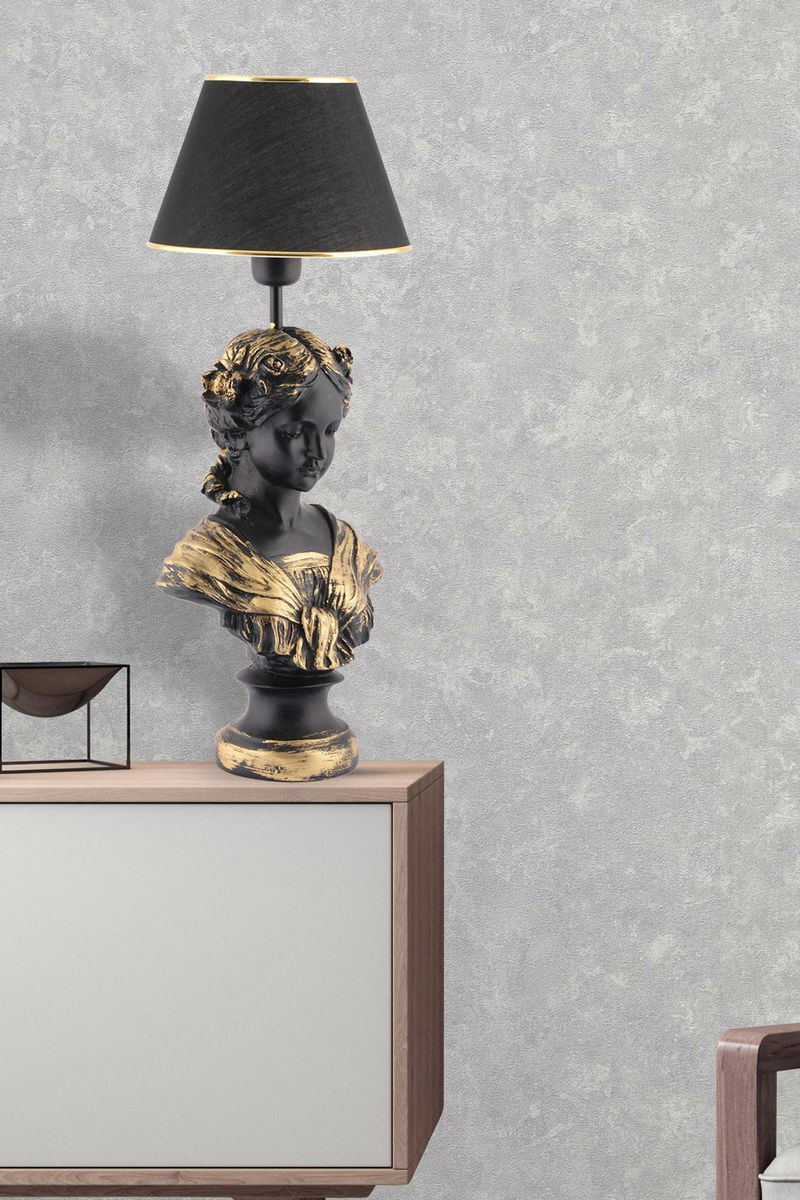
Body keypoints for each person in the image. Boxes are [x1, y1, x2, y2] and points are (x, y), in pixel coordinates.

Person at [158, 325, 383, 676]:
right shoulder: (207, 557)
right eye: (295, 432)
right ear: (239, 429)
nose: (318, 452)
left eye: (330, 431)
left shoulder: (345, 543)